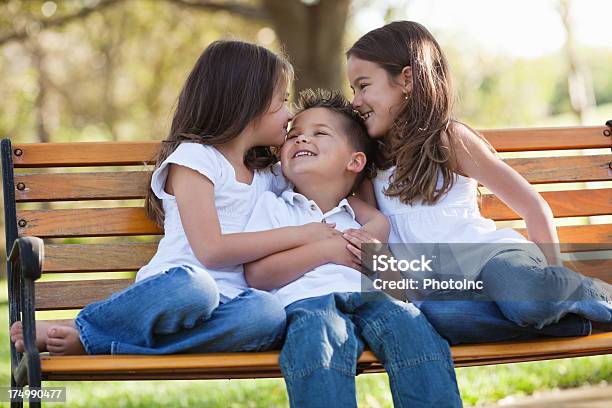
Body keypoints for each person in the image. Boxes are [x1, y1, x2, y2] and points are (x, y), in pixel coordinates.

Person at [10, 40, 339, 356]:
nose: (290, 113)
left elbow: (331, 185)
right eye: (282, 101)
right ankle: (87, 326)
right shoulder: (195, 159)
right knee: (197, 288)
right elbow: (211, 250)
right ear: (245, 103)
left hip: (231, 306)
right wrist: (304, 234)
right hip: (176, 293)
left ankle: (102, 342)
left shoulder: (270, 174)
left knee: (268, 313)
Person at [344, 20, 611, 345]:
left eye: (363, 85)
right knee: (441, 317)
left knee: (526, 298)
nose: (355, 101)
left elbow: (532, 205)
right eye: (352, 90)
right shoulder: (370, 166)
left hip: (496, 262)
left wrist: (549, 282)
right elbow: (380, 245)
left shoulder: (448, 139)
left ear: (407, 79)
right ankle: (569, 323)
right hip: (450, 291)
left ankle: (586, 295)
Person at [244, 89, 462, 407]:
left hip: (372, 299)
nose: (301, 140)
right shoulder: (275, 207)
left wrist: (373, 244)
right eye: (293, 136)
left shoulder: (355, 211)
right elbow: (258, 275)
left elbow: (381, 235)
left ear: (355, 161)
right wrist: (328, 250)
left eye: (319, 133)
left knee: (414, 331)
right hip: (309, 305)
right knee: (317, 345)